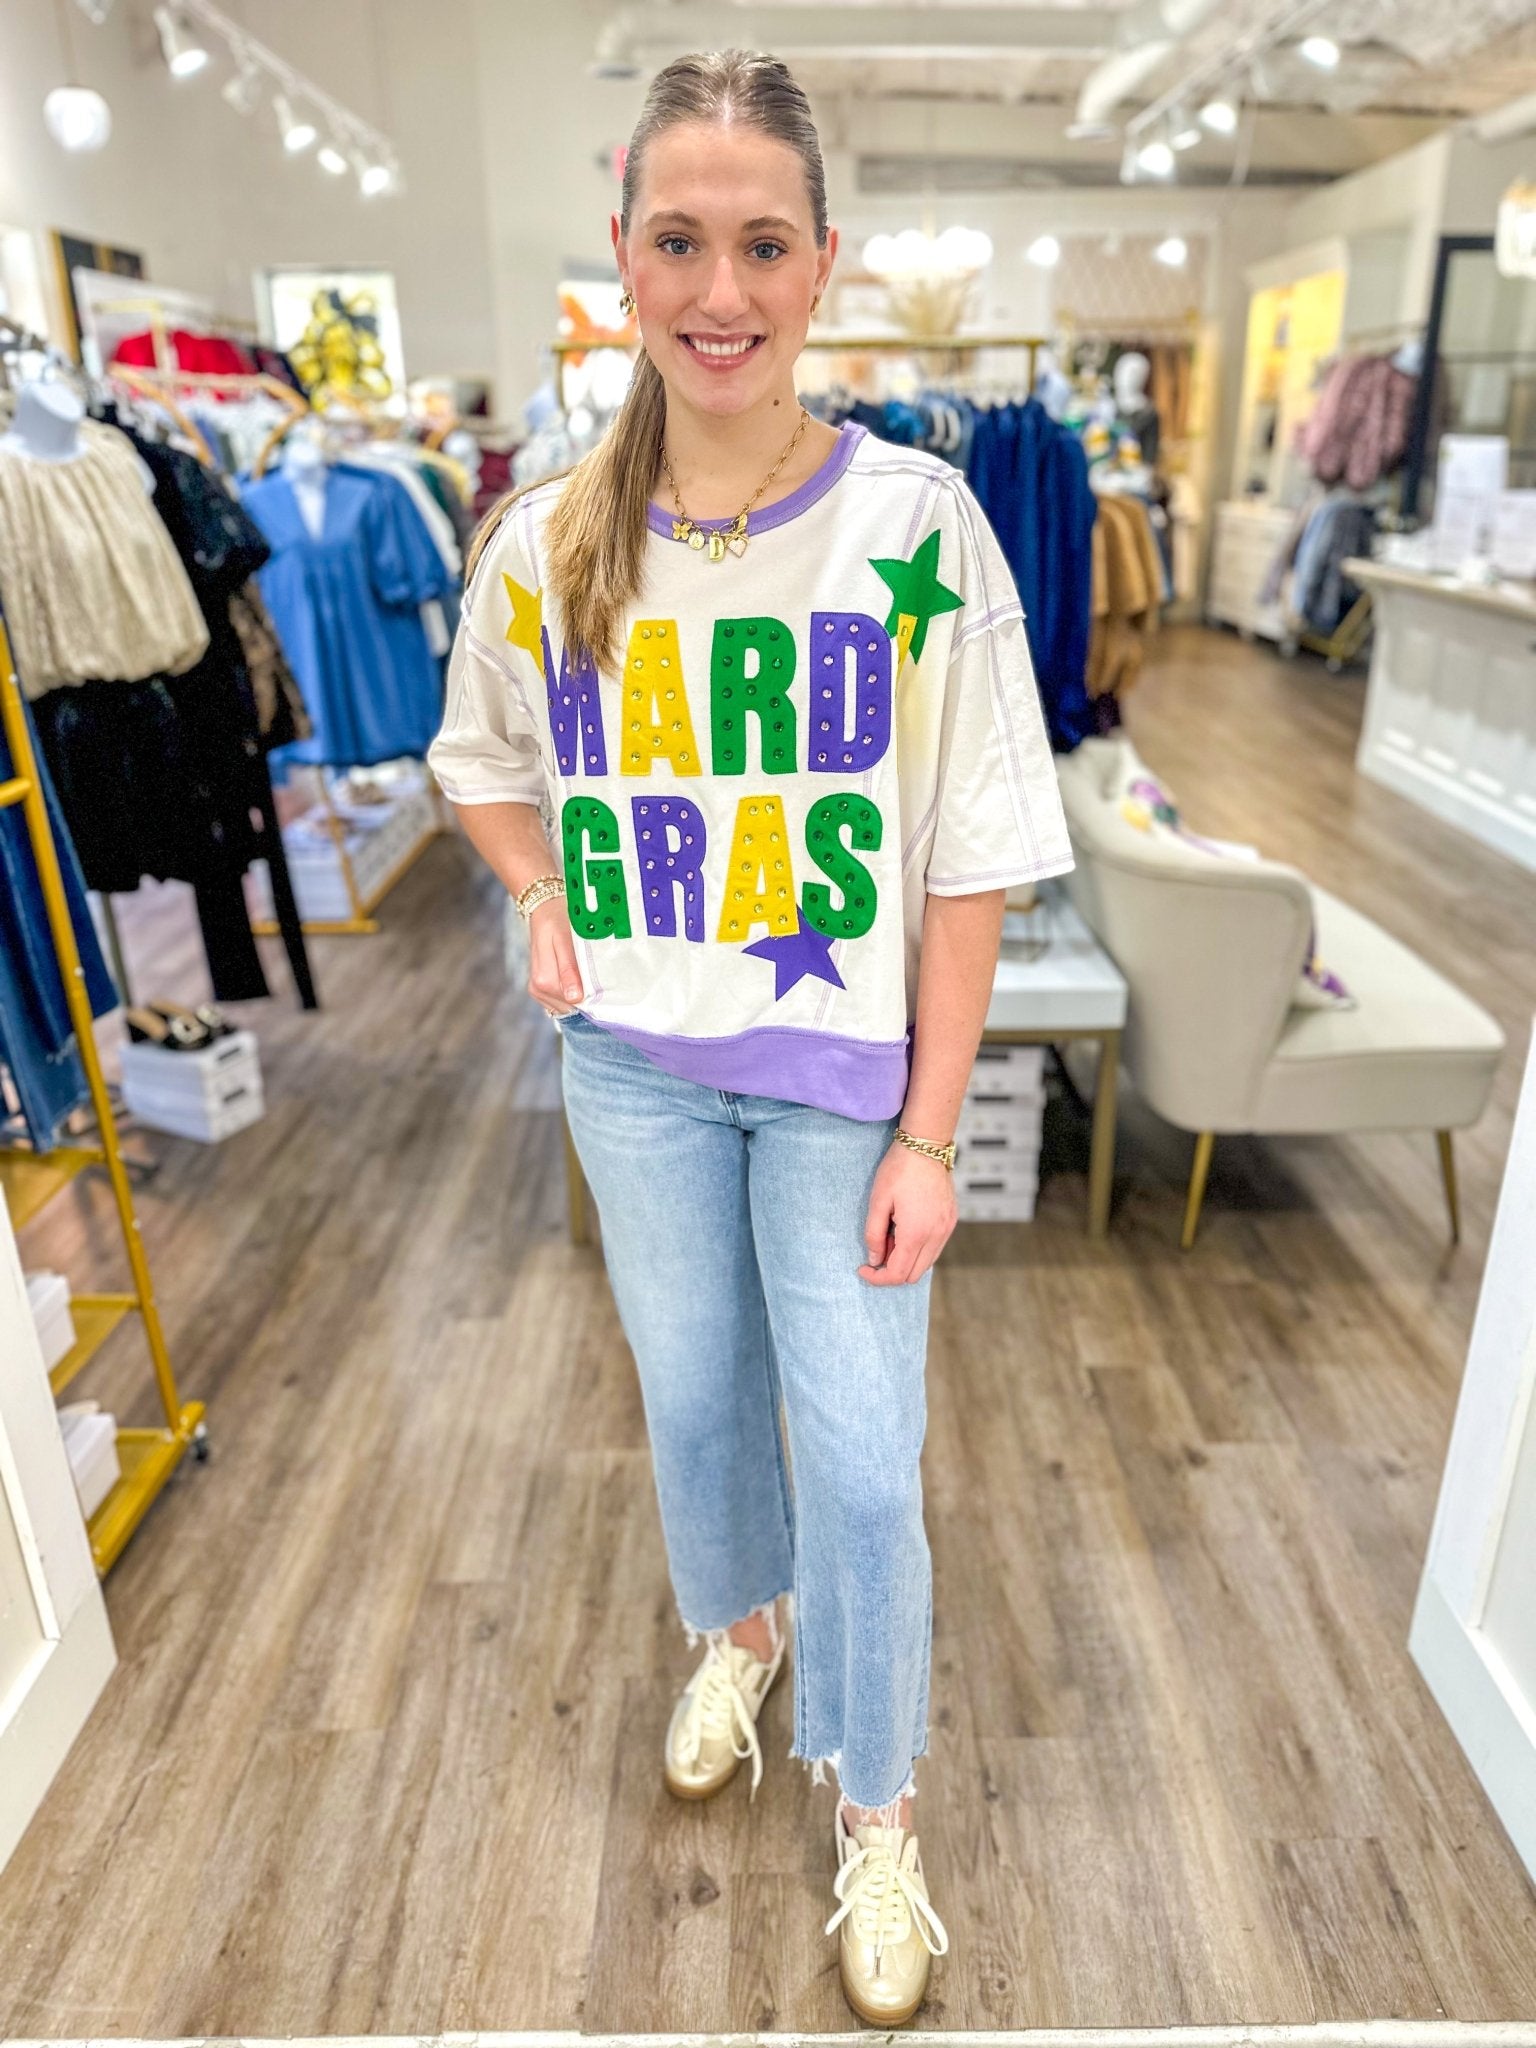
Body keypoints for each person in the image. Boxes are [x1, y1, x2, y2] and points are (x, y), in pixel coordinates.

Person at [428, 48, 1072, 2026]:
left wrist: (932, 1131)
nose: (723, 291)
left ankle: (876, 1808)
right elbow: (478, 763)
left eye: (765, 245)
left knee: (865, 1461)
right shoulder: (546, 535)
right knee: (697, 1403)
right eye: (682, 241)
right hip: (630, 1067)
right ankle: (738, 1628)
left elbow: (971, 850)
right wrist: (537, 892)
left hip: (843, 1091)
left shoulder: (918, 519)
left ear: (824, 262)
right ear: (624, 254)